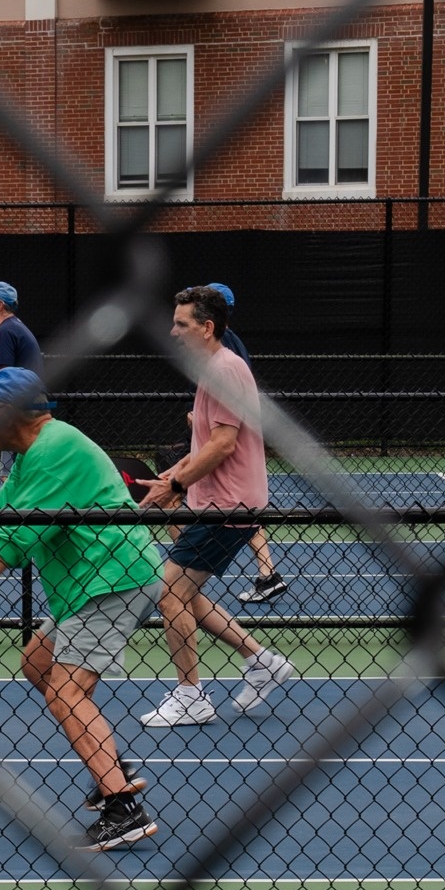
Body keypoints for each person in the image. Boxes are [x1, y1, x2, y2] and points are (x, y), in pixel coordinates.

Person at [0, 366, 164, 851]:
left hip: (112, 578)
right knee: (38, 663)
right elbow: (0, 517)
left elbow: (15, 542)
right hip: (88, 583)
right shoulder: (30, 456)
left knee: (66, 691)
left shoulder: (54, 449)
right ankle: (112, 770)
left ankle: (123, 808)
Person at [135, 287, 296, 729]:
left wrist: (176, 485)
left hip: (227, 507)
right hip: (218, 505)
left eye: (182, 324)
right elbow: (207, 442)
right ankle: (262, 662)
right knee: (186, 593)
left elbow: (224, 444)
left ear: (207, 328)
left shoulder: (225, 369)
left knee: (170, 594)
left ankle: (191, 696)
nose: (173, 332)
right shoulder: (213, 369)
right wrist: (173, 475)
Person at [195, 284, 289, 607]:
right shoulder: (222, 348)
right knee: (240, 512)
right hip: (218, 436)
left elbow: (229, 416)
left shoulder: (227, 352)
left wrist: (205, 421)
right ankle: (267, 573)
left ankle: (186, 576)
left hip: (224, 439)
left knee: (236, 509)